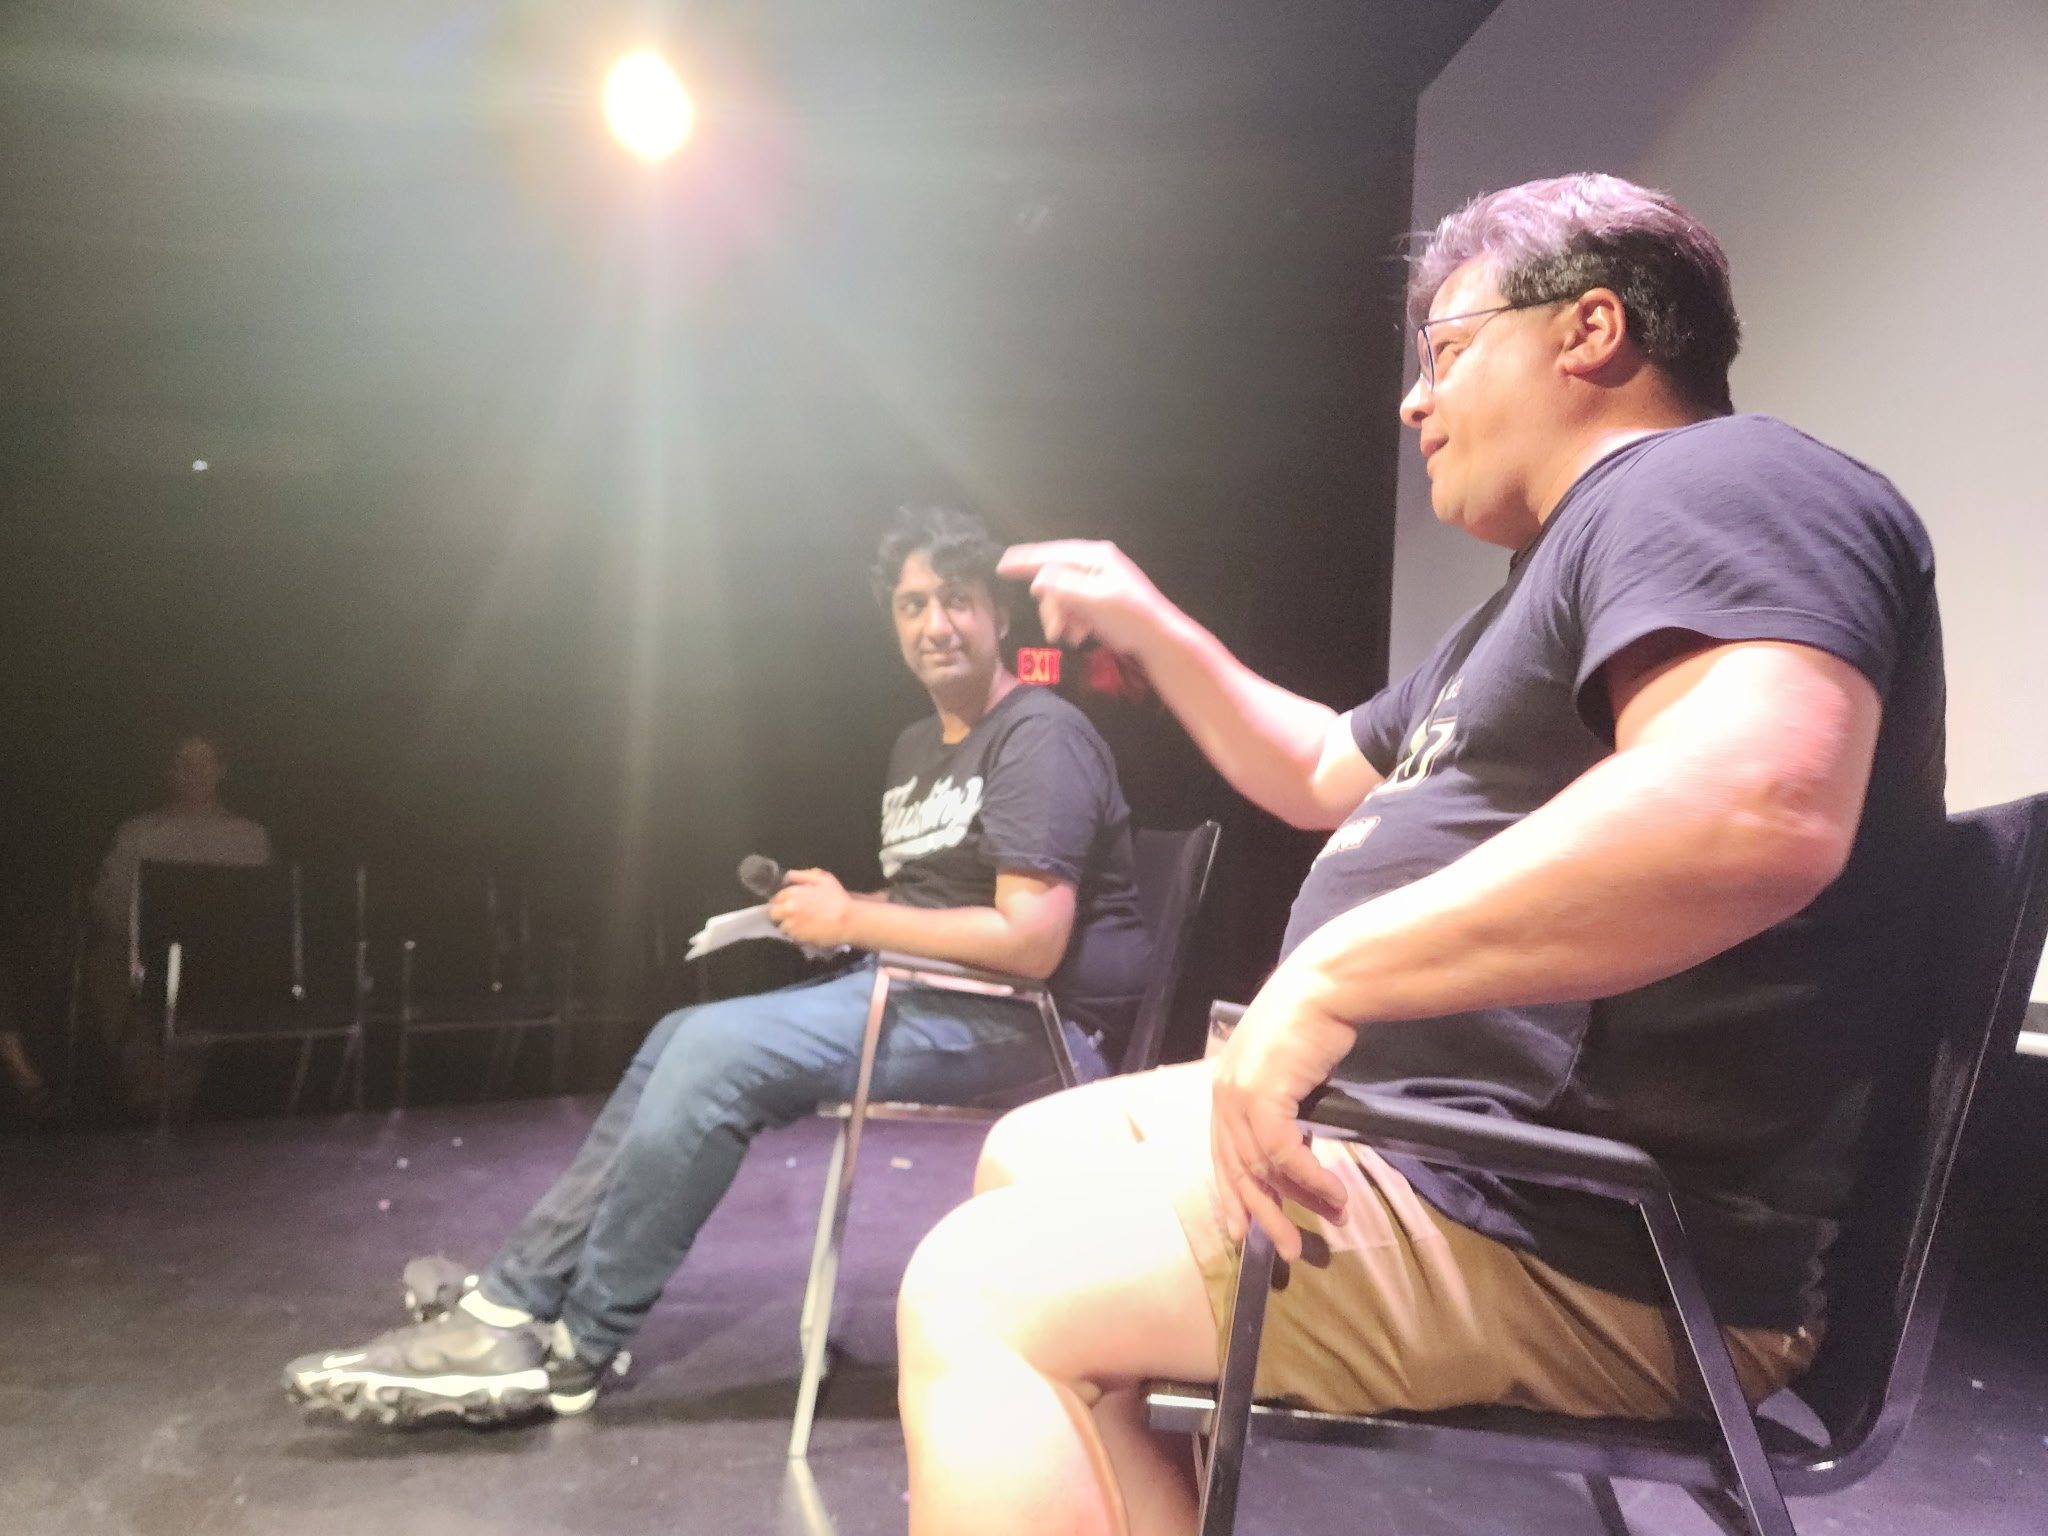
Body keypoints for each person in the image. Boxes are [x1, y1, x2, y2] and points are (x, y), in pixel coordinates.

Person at [894, 173, 1944, 1536]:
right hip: (1462, 1158)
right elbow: (1326, 770)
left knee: (979, 1292)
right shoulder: (1543, 589)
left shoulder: (1716, 482)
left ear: (1590, 331)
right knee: (1031, 1155)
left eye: (1444, 351)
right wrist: (1150, 624)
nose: (1412, 400)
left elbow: (1756, 802)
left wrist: (1331, 978)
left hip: (1578, 1227)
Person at [284, 505, 1150, 1427]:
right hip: (933, 992)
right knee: (678, 1037)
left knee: (715, 1054)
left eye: (957, 600)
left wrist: (857, 916)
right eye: (912, 604)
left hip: (1032, 1029)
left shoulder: (1038, 736)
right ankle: (514, 1301)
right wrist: (845, 916)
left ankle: (577, 1346)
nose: (935, 624)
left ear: (998, 617)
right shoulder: (914, 747)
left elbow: (1029, 940)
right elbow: (939, 908)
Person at [84, 732, 272, 1115]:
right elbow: (110, 904)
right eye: (183, 763)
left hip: (220, 959)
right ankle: (149, 1096)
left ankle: (174, 1102)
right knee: (108, 969)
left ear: (221, 770)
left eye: (202, 763)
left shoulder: (247, 837)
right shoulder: (138, 832)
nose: (192, 772)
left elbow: (261, 914)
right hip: (145, 954)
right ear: (170, 772)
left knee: (210, 991)